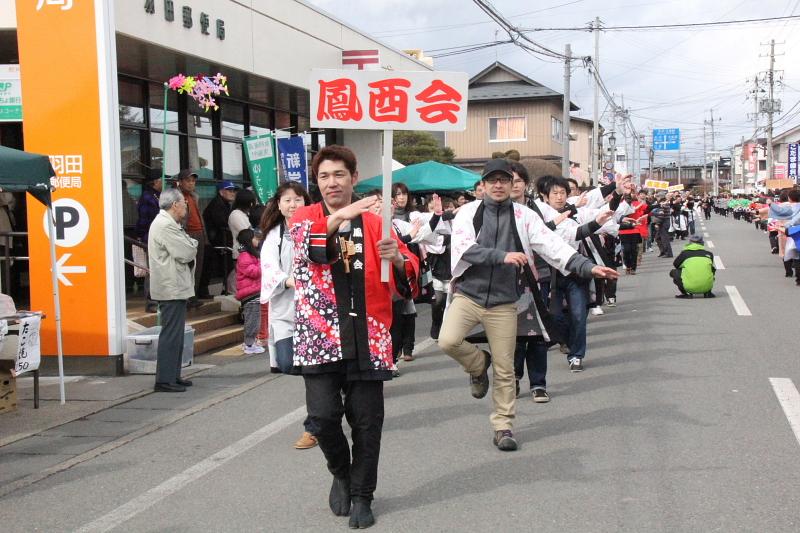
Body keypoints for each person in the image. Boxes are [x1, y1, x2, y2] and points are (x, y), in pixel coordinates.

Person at [438, 159, 618, 451]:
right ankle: (477, 363)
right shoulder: (468, 213)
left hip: (505, 301)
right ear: (481, 186)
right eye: (492, 180)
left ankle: (503, 426)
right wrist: (502, 256)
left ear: (512, 185)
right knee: (447, 341)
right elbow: (464, 249)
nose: (498, 185)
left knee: (506, 368)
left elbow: (554, 246)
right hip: (468, 295)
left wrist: (588, 268)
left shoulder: (524, 216)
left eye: (503, 180)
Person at [289, 145, 419, 529]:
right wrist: (348, 212)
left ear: (353, 177)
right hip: (319, 335)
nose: (332, 183)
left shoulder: (379, 222)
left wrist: (397, 258)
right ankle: (340, 471)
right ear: (317, 182)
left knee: (367, 422)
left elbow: (408, 268)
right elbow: (306, 248)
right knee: (323, 418)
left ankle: (363, 494)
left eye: (339, 175)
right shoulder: (304, 217)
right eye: (325, 176)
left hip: (369, 332)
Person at [259, 181, 318, 449]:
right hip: (285, 310)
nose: (293, 205)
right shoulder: (274, 235)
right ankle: (329, 392)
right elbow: (269, 266)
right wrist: (289, 280)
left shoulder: (316, 228)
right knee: (286, 362)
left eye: (298, 199)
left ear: (307, 202)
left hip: (316, 312)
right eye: (287, 200)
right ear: (279, 205)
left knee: (313, 373)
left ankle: (314, 426)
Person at [147, 189, 198, 393]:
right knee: (171, 333)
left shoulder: (168, 223)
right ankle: (165, 379)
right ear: (175, 205)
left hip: (174, 285)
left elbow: (186, 247)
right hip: (171, 286)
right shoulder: (165, 224)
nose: (186, 207)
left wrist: (190, 244)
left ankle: (173, 376)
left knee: (175, 333)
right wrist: (192, 244)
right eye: (184, 203)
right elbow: (187, 251)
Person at [174, 169, 206, 308]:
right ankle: (184, 298)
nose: (191, 183)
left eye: (193, 181)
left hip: (198, 234)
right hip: (186, 234)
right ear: (180, 182)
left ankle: (193, 296)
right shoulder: (175, 196)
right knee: (185, 268)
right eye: (188, 180)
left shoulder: (194, 196)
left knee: (197, 267)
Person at [202, 180, 238, 295]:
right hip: (215, 242)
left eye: (233, 190)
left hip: (220, 241)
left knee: (226, 267)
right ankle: (223, 290)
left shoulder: (225, 204)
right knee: (220, 267)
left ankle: (225, 289)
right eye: (229, 190)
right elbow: (222, 223)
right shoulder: (217, 204)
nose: (232, 193)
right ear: (221, 192)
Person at [234, 228, 265, 355]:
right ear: (248, 240)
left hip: (254, 293)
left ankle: (251, 343)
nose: (257, 240)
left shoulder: (250, 254)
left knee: (255, 320)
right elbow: (254, 272)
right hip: (250, 295)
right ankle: (249, 344)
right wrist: (264, 264)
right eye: (255, 238)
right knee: (252, 321)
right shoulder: (245, 256)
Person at [135, 173, 162, 312]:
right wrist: (142, 236)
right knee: (152, 270)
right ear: (155, 181)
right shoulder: (147, 197)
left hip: (161, 238)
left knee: (160, 269)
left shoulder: (159, 196)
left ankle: (159, 299)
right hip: (150, 238)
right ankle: (151, 302)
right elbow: (143, 220)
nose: (164, 182)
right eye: (161, 179)